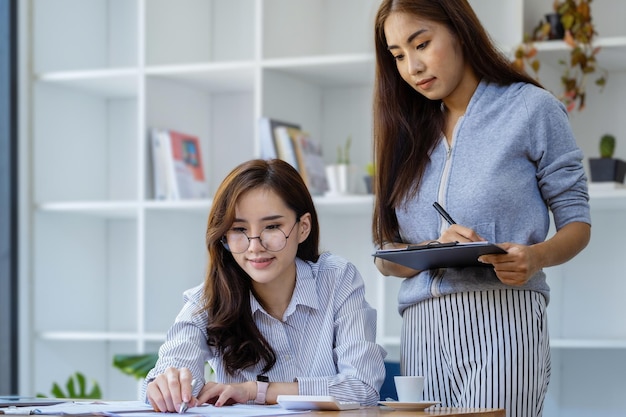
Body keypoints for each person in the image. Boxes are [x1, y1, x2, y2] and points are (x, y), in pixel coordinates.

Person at [371, 1, 591, 417]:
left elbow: (578, 223)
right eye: (398, 55)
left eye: (422, 44)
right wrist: (433, 246)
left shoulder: (530, 109)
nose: (412, 67)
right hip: (422, 332)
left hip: (504, 321)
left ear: (459, 31)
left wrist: (535, 257)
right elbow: (386, 256)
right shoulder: (404, 131)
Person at [142, 158, 386, 412]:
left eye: (272, 226)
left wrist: (254, 391)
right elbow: (167, 375)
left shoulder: (337, 279)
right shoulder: (209, 298)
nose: (255, 246)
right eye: (239, 229)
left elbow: (362, 387)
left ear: (303, 228)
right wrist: (165, 386)